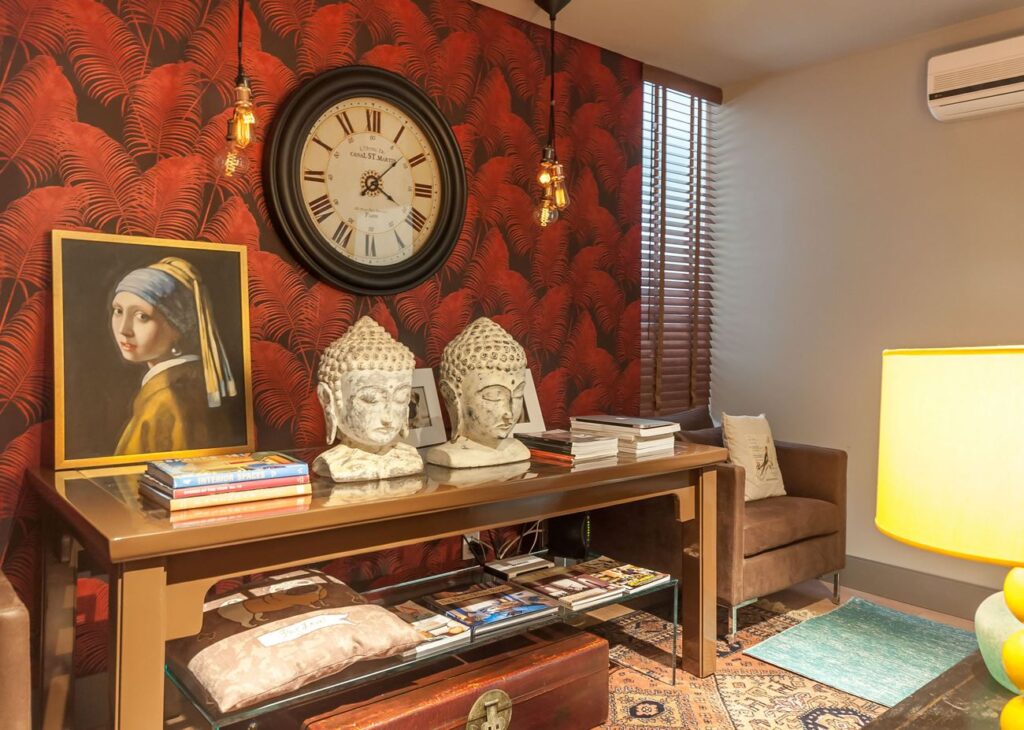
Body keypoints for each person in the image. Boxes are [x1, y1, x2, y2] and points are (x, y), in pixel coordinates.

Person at [110, 256, 237, 455]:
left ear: (177, 326)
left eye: (142, 316)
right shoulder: (192, 381)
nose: (123, 329)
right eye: (118, 311)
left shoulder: (166, 400)